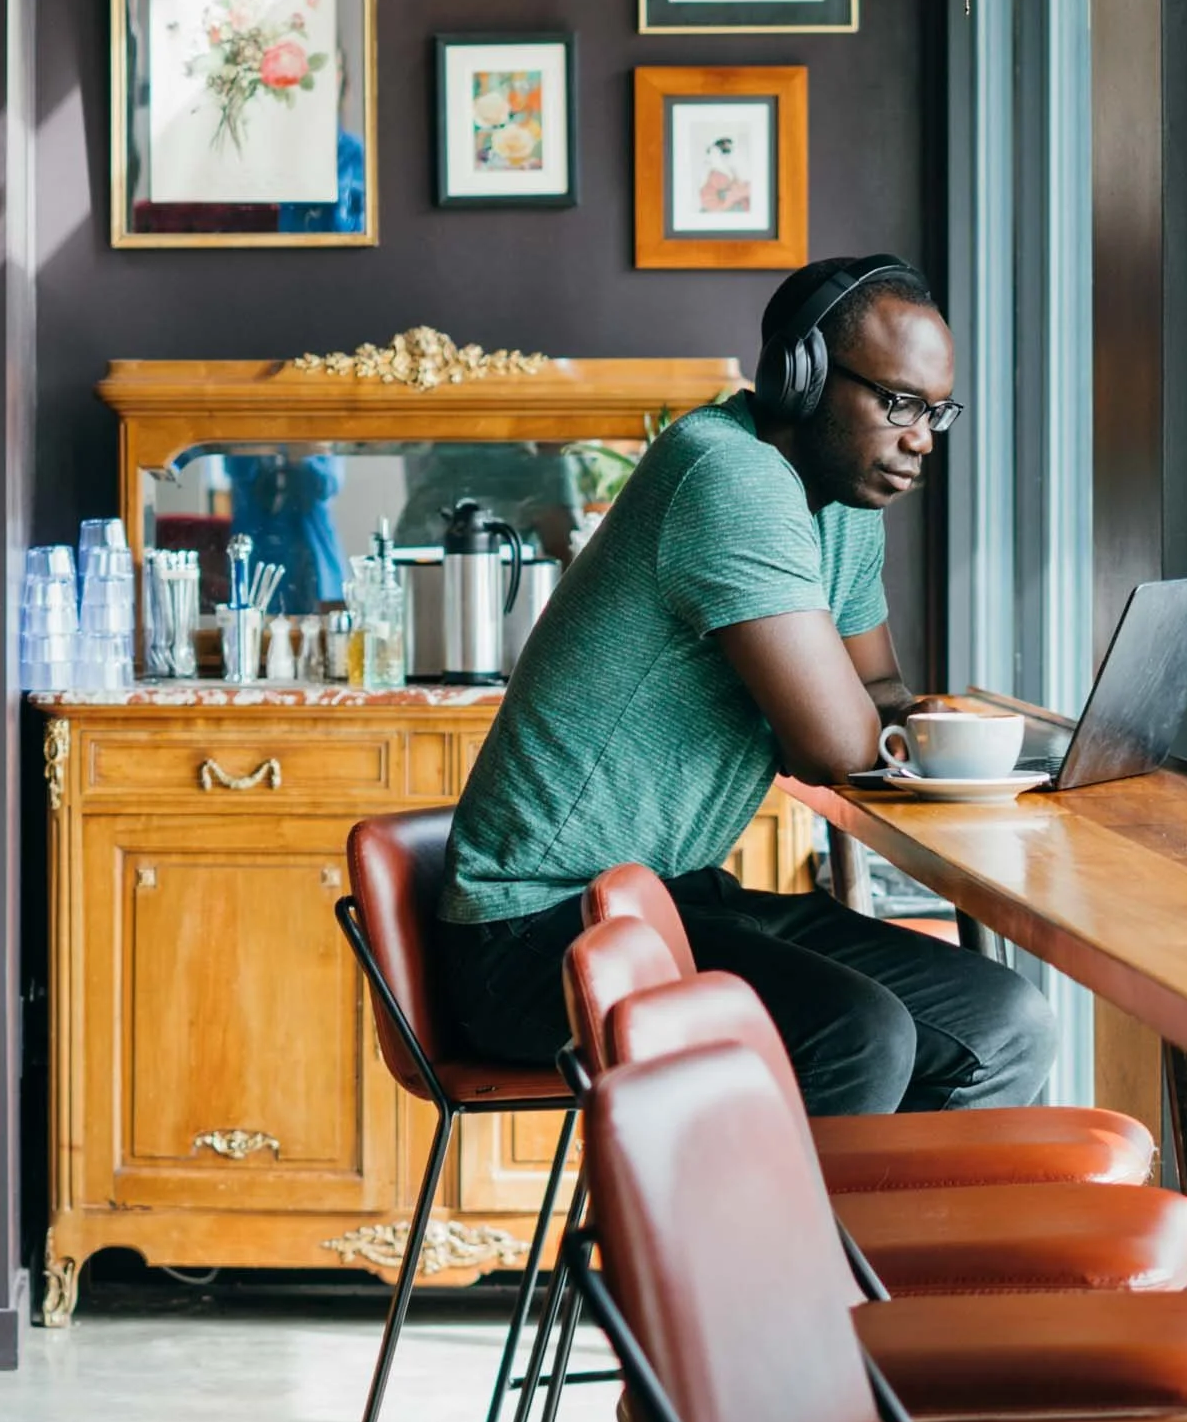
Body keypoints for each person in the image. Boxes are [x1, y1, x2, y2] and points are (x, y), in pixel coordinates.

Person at [436, 255, 1057, 1118]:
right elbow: (835, 745)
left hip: (674, 893)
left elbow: (877, 687)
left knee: (1006, 1021)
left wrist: (928, 719)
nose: (922, 437)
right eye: (898, 404)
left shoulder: (841, 505)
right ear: (800, 378)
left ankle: (894, 1252)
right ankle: (756, 1255)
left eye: (935, 412)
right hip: (533, 930)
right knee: (854, 1031)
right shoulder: (728, 474)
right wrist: (890, 720)